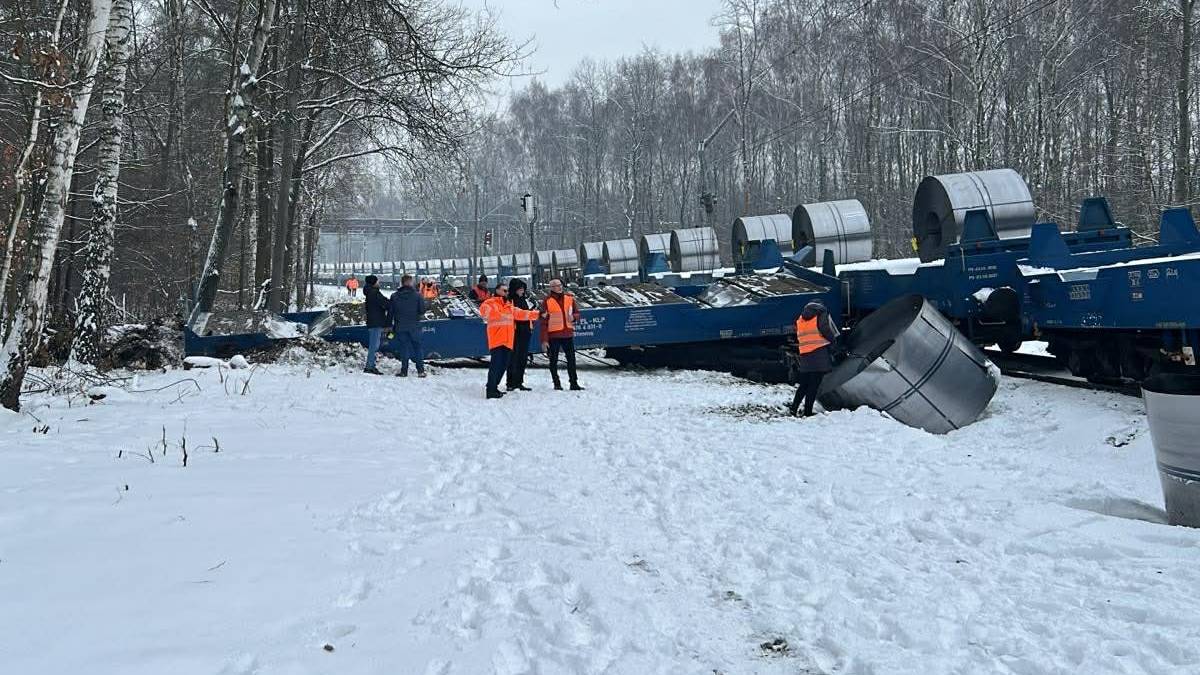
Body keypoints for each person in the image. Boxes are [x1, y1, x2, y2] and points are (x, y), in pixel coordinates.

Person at [478, 283, 540, 399]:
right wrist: (501, 312)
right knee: (496, 365)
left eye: (507, 291)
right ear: (497, 290)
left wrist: (538, 314)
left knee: (502, 366)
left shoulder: (509, 305)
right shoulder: (489, 303)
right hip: (497, 339)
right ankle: (491, 389)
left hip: (508, 340)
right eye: (504, 291)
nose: (506, 293)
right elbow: (484, 313)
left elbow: (522, 313)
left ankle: (494, 386)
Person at [789, 300, 840, 417]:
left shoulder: (801, 317)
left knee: (804, 383)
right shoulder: (821, 313)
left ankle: (794, 408)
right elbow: (825, 328)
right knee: (814, 384)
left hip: (805, 353)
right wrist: (833, 341)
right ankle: (807, 411)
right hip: (818, 352)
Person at [540, 278, 583, 391]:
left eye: (559, 285)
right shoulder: (547, 301)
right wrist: (544, 340)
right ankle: (556, 383)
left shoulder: (569, 298)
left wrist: (574, 317)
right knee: (553, 360)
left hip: (567, 334)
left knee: (572, 360)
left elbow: (577, 313)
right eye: (554, 286)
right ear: (551, 288)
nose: (558, 287)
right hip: (553, 336)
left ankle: (573, 383)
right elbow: (543, 322)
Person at [388, 274, 427, 378]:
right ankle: (421, 371)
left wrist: (388, 325)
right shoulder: (418, 295)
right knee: (417, 348)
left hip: (400, 326)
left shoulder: (394, 296)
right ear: (410, 282)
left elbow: (390, 313)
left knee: (404, 348)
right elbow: (422, 310)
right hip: (415, 326)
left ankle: (404, 371)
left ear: (402, 282)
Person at [505, 278, 537, 391]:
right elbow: (518, 314)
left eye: (523, 289)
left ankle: (519, 381)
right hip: (514, 331)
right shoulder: (509, 300)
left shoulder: (524, 300)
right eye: (520, 289)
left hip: (525, 331)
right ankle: (510, 382)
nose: (522, 291)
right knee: (513, 358)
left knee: (522, 358)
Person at [362, 274, 390, 375]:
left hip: (373, 322)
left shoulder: (370, 292)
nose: (379, 282)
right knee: (374, 346)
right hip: (375, 322)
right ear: (373, 282)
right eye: (377, 281)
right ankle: (369, 366)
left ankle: (370, 365)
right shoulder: (374, 293)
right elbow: (386, 303)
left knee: (374, 345)